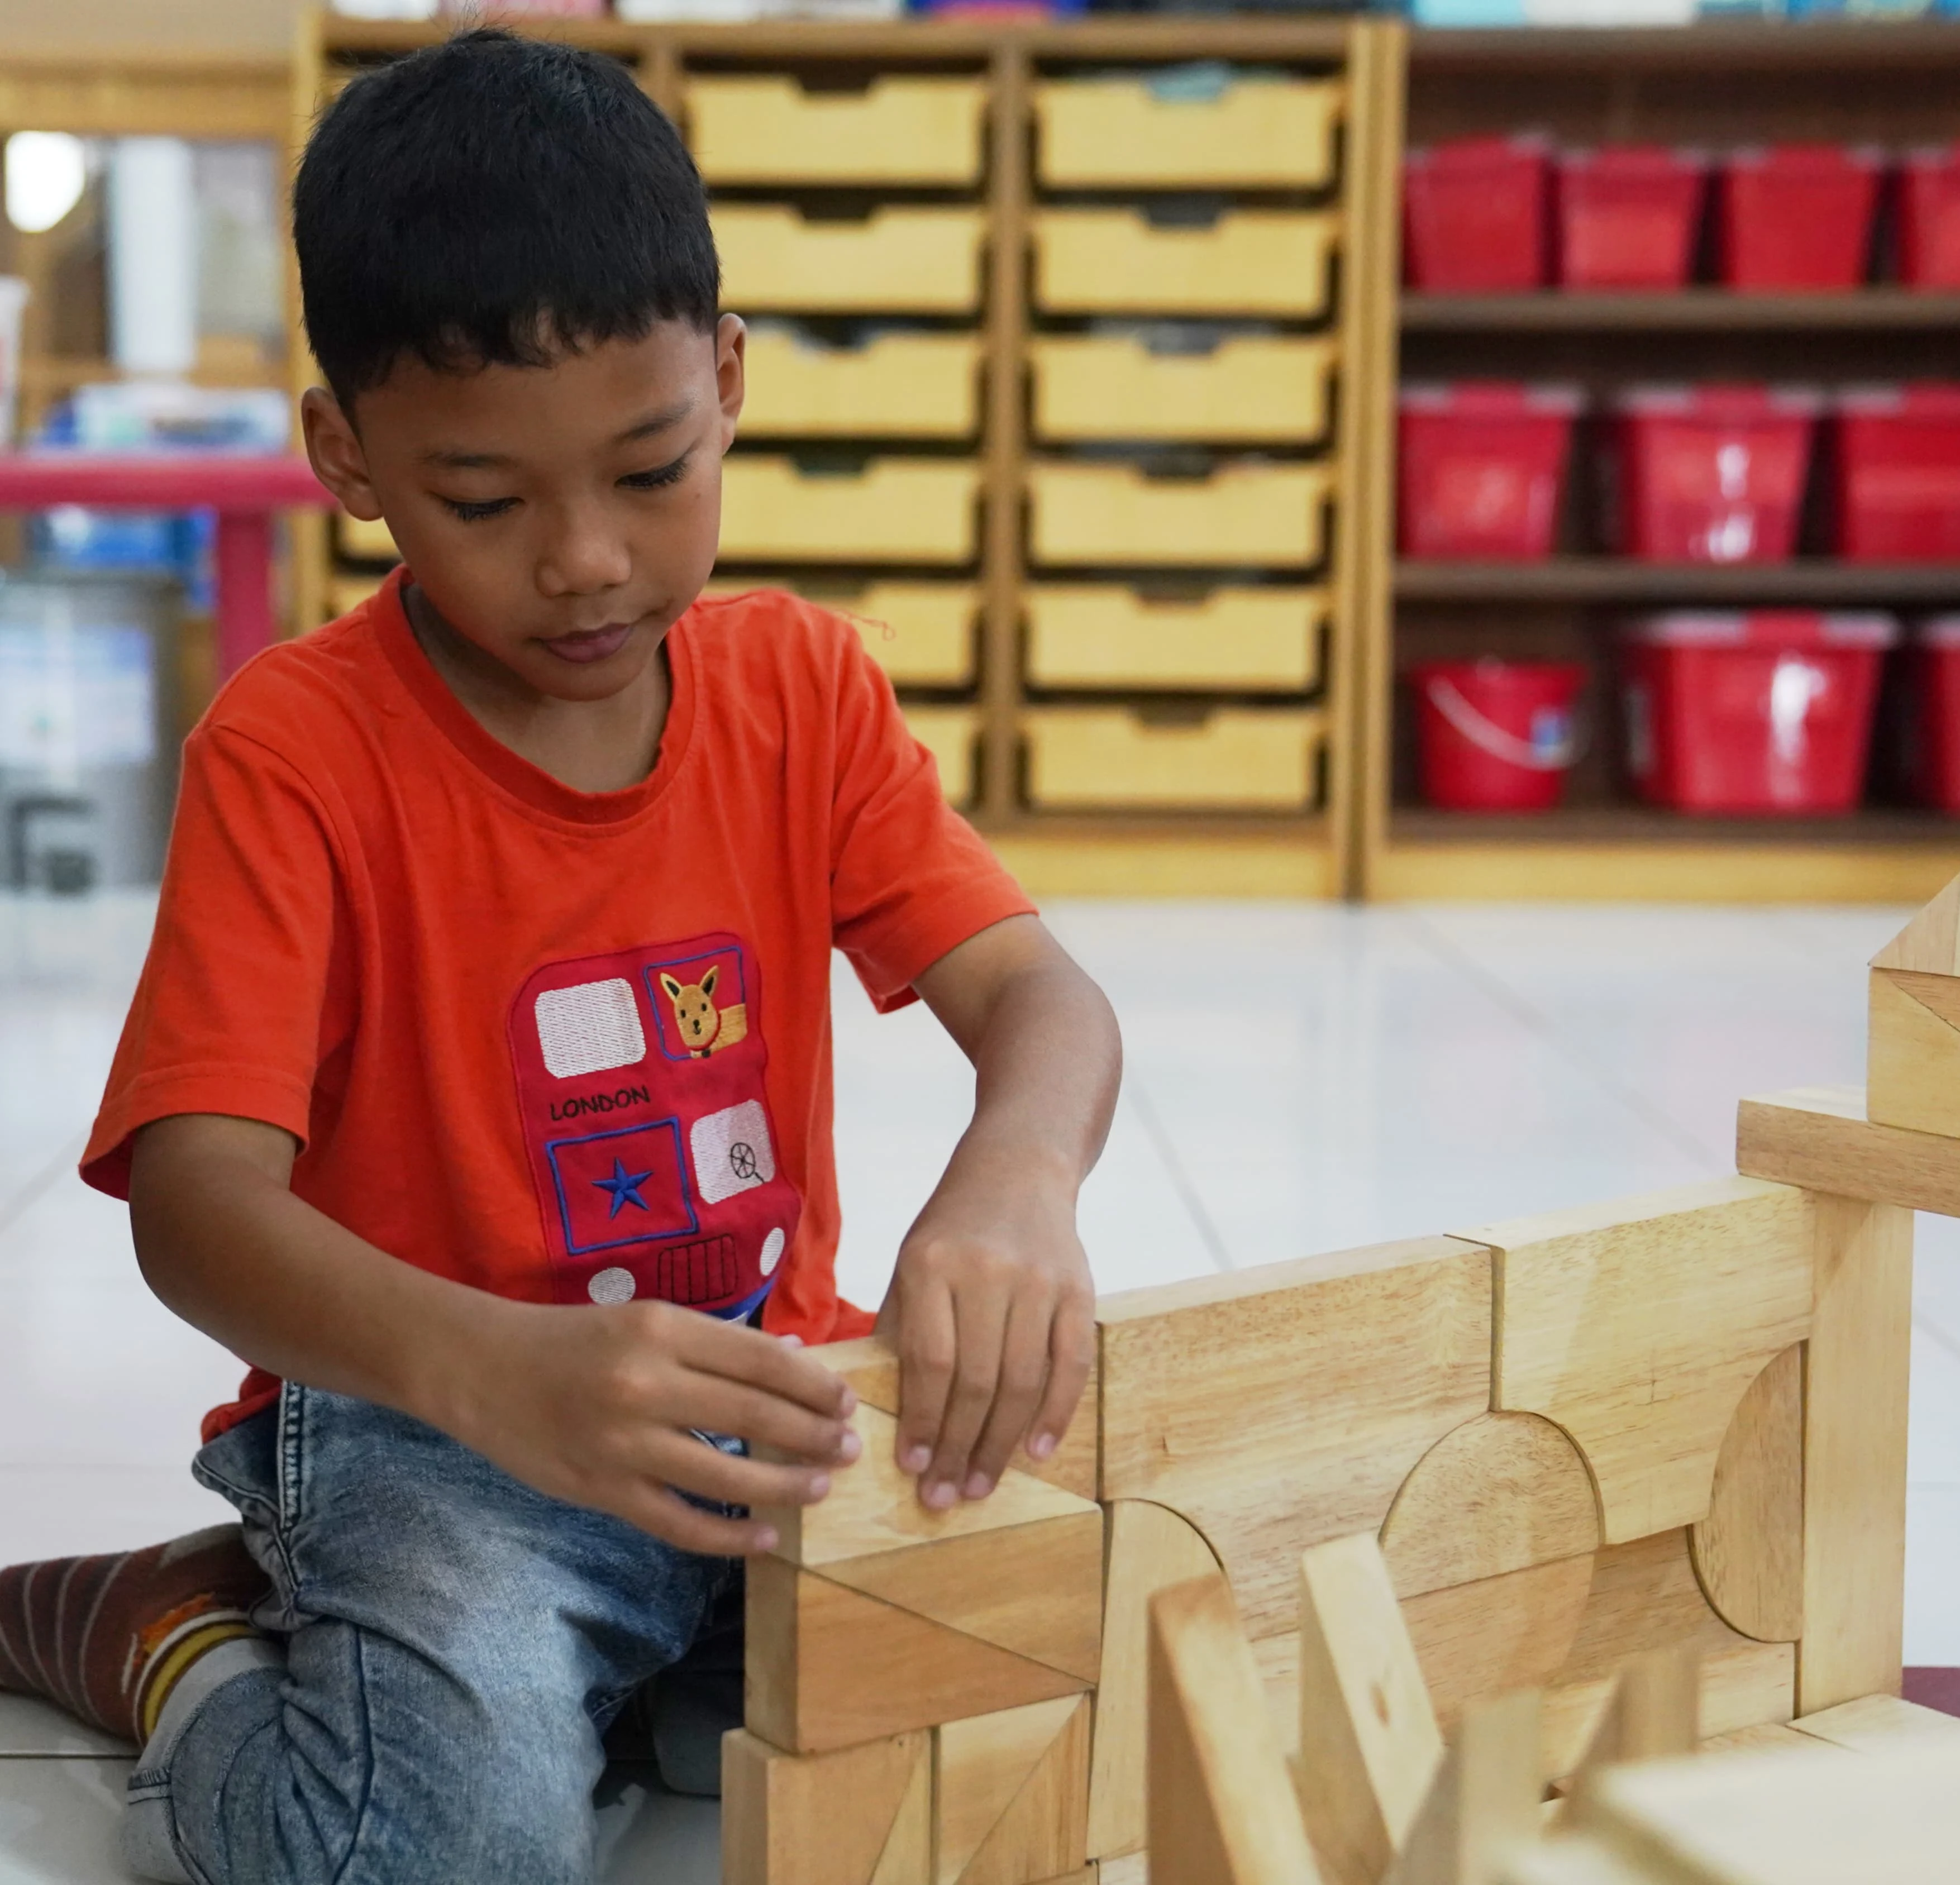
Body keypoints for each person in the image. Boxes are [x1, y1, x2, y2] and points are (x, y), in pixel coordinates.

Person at [0, 29, 1122, 1883]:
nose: (590, 561)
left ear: (731, 382)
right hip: (436, 1436)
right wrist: (493, 1373)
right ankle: (172, 1639)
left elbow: (1041, 997)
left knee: (1089, 1645)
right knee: (449, 1841)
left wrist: (1017, 1178)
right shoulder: (296, 750)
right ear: (346, 456)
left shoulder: (803, 690)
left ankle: (645, 1673)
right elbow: (195, 1197)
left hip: (772, 1408)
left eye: (652, 469)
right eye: (488, 503)